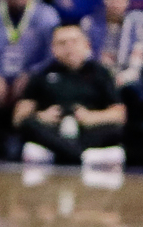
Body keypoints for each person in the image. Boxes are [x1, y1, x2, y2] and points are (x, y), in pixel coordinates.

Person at [13, 24, 127, 167]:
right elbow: (19, 118)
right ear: (53, 49)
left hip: (87, 130)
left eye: (74, 41)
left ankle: (64, 155)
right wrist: (41, 116)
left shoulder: (101, 73)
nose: (69, 47)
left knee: (116, 130)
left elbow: (119, 114)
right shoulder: (42, 74)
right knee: (29, 126)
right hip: (54, 131)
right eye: (62, 43)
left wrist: (91, 118)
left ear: (86, 44)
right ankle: (81, 156)